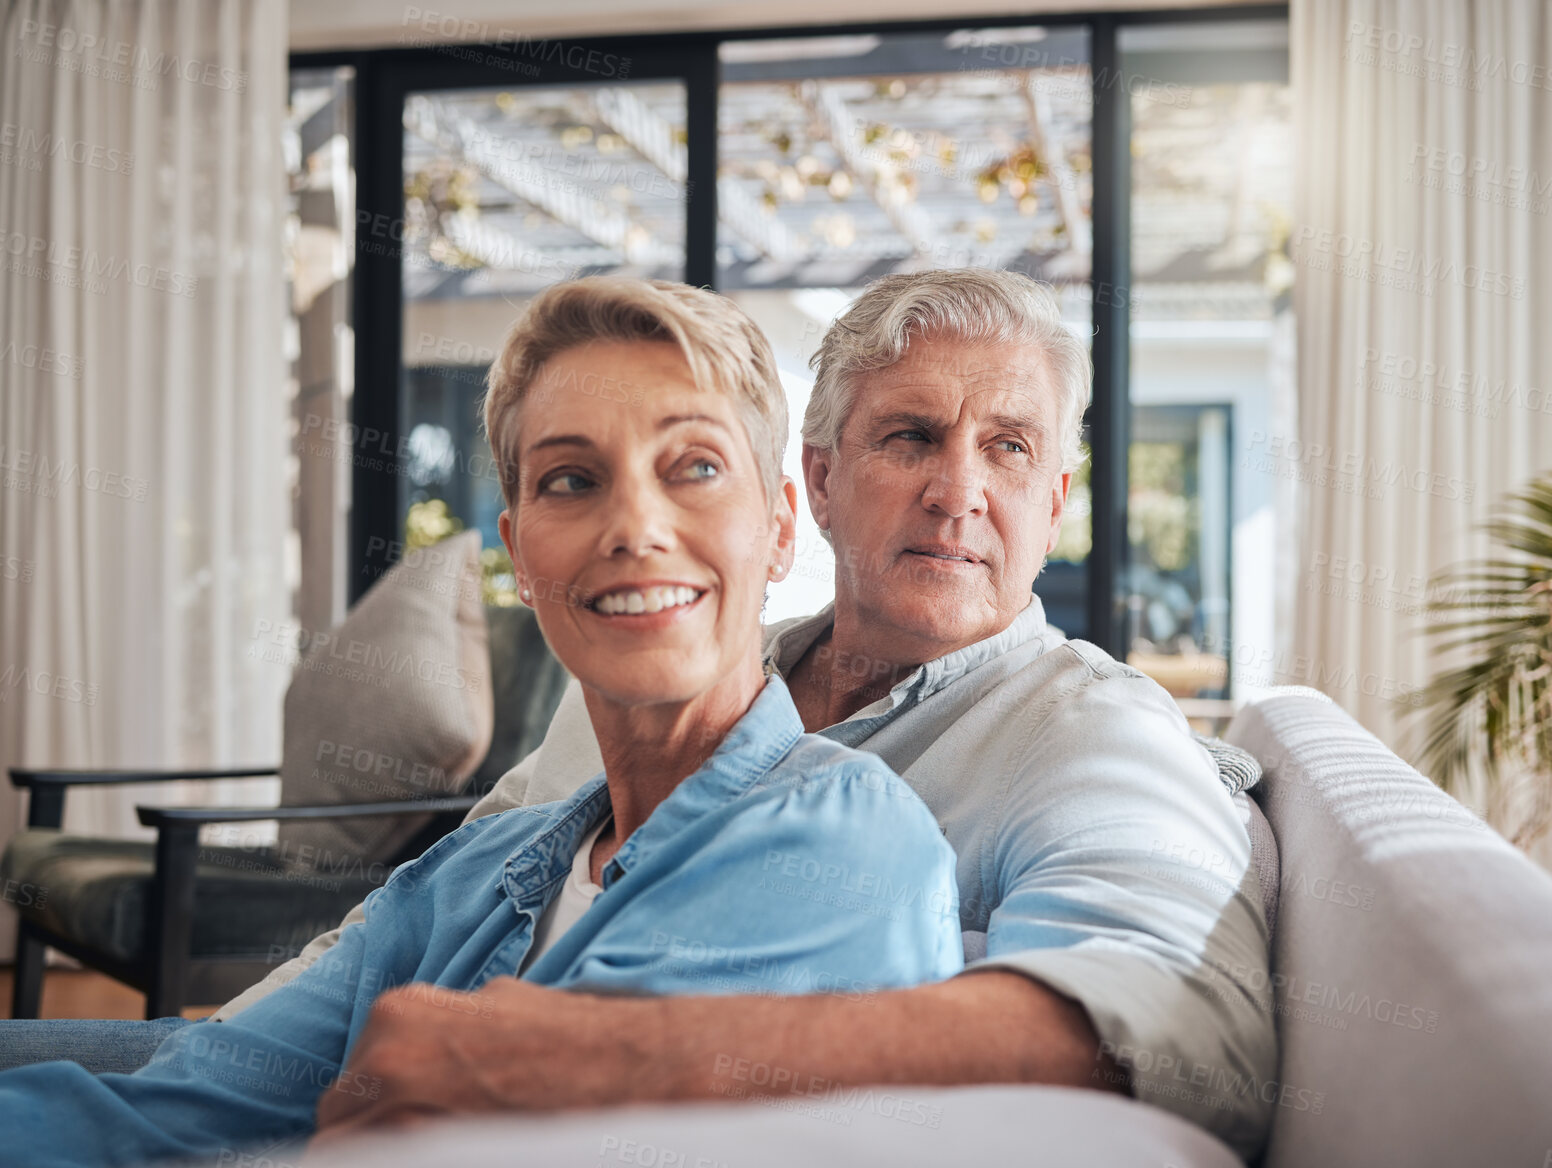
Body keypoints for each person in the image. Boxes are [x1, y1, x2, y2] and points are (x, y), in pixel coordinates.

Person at [226, 268, 1279, 1159]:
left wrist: (595, 1058)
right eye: (911, 436)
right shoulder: (666, 657)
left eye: (1008, 448)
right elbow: (432, 914)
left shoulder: (1094, 729)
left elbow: (1181, 1033)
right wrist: (223, 1048)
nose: (958, 491)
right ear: (816, 486)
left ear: (1054, 503)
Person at [0, 279, 965, 1166]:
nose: (633, 527)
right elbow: (178, 1105)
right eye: (570, 481)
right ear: (518, 550)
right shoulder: (461, 877)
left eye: (695, 467)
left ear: (782, 525)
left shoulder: (842, 837)